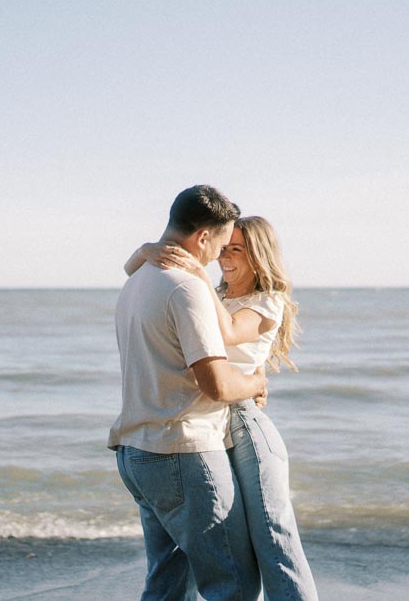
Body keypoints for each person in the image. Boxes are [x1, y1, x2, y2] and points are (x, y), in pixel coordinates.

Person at [126, 215, 318, 600]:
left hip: (247, 427)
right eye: (223, 249)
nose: (225, 258)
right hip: (210, 428)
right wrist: (148, 250)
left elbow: (230, 331)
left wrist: (196, 271)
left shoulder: (266, 301)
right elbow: (131, 270)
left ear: (259, 257)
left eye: (238, 251)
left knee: (274, 540)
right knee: (217, 548)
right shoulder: (215, 292)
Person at [109, 185, 267, 600]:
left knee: (168, 584)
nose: (217, 257)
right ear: (202, 237)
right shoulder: (188, 288)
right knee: (231, 583)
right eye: (220, 243)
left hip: (136, 453)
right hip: (183, 453)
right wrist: (256, 382)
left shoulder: (137, 281)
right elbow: (216, 385)